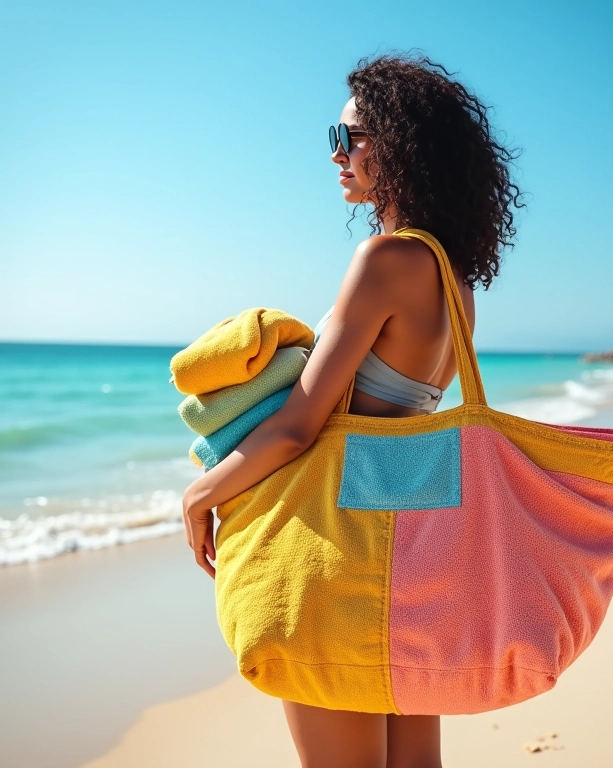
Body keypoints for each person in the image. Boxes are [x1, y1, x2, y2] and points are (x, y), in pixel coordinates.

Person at [181, 51, 524, 768]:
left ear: (395, 146)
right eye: (332, 140)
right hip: (412, 563)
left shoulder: (384, 261)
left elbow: (301, 424)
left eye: (349, 139)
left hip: (339, 562)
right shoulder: (456, 280)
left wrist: (201, 493)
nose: (335, 156)